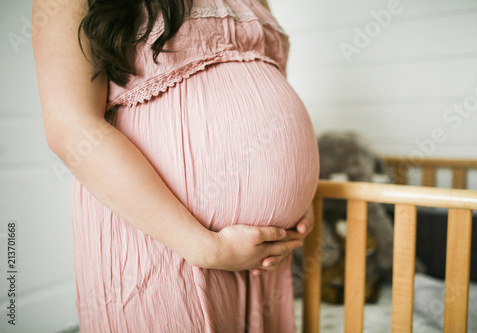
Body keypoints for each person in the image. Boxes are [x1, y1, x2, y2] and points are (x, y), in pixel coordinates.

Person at [32, 0, 320, 331]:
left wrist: (296, 189)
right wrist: (205, 248)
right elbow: (72, 127)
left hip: (262, 256)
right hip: (163, 240)